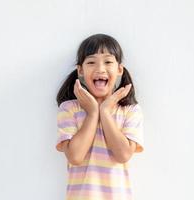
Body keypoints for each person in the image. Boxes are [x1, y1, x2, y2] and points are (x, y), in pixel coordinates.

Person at [55, 33, 144, 200]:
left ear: (119, 69)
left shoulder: (130, 110)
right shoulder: (69, 109)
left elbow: (123, 154)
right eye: (91, 62)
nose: (100, 68)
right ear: (80, 70)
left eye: (108, 62)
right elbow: (75, 156)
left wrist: (104, 112)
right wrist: (93, 112)